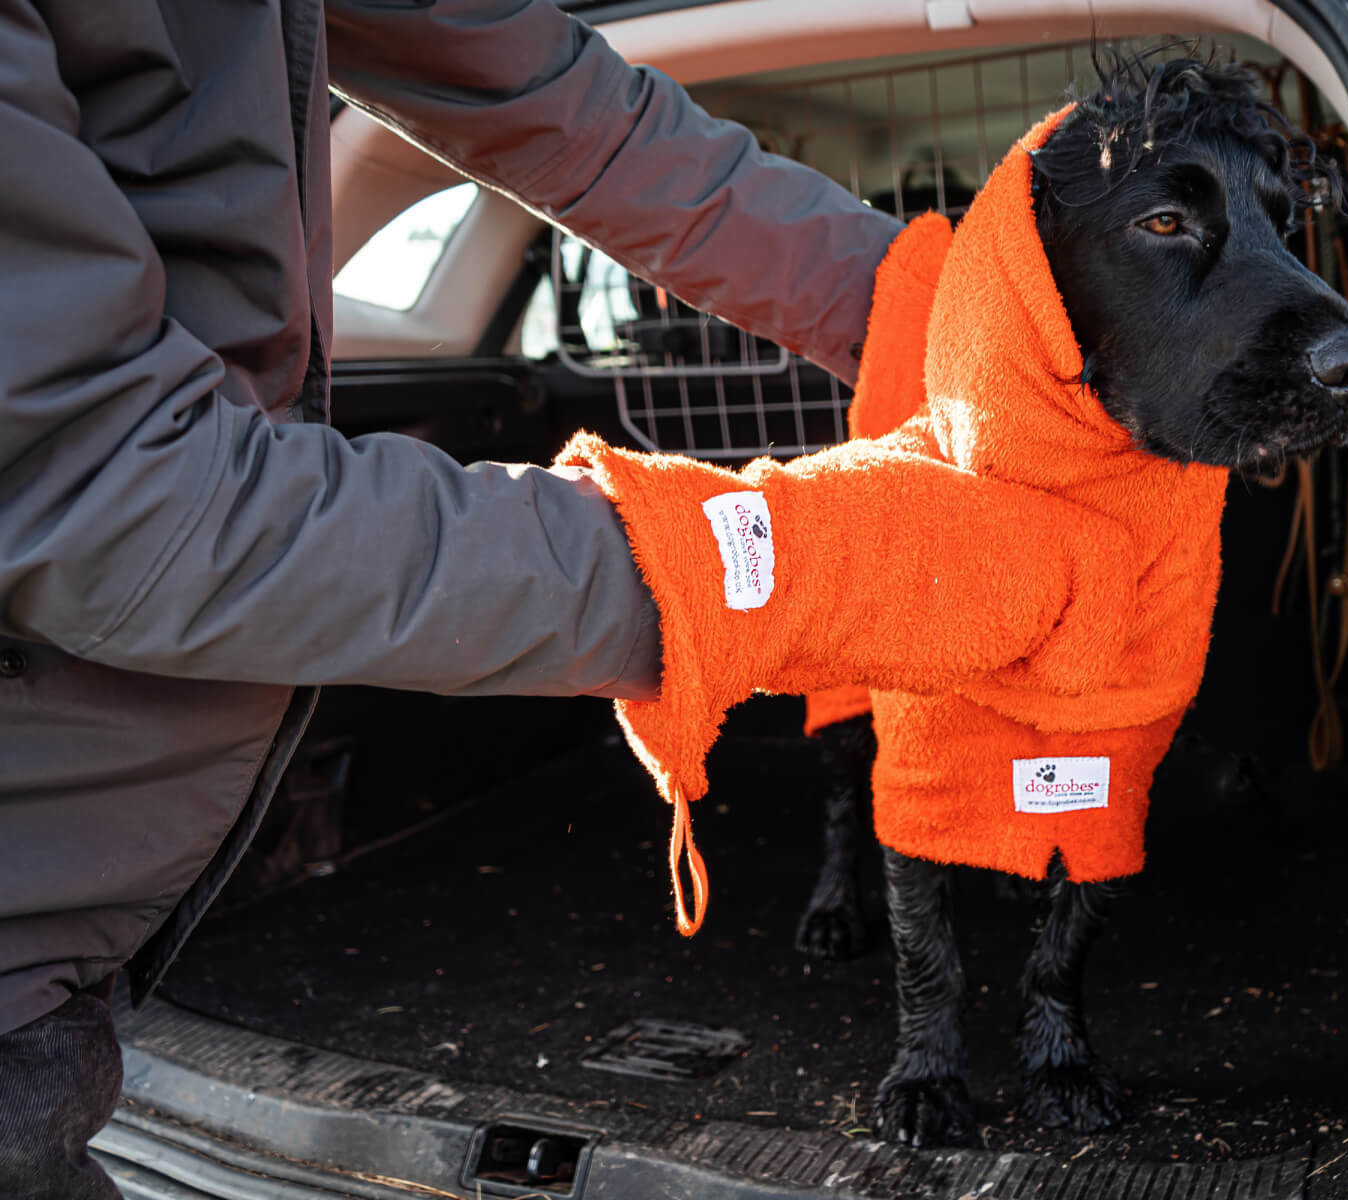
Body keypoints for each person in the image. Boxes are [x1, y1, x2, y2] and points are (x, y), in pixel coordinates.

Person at [0, 2, 1131, 1195]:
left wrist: (945, 313)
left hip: (81, 945)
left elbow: (560, 109)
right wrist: (754, 568)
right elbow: (92, 480)